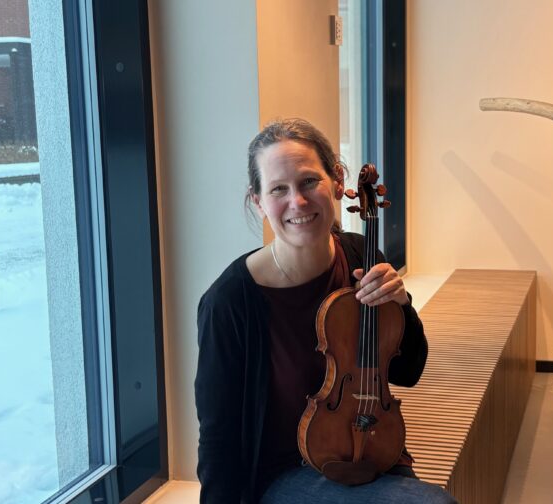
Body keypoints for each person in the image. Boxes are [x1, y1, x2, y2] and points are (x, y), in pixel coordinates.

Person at [195, 118, 456, 504]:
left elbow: (408, 372)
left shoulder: (360, 256)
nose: (297, 202)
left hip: (372, 448)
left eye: (308, 182)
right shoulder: (230, 302)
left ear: (336, 180)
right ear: (258, 201)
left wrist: (402, 306)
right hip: (286, 472)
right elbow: (219, 435)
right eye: (278, 189)